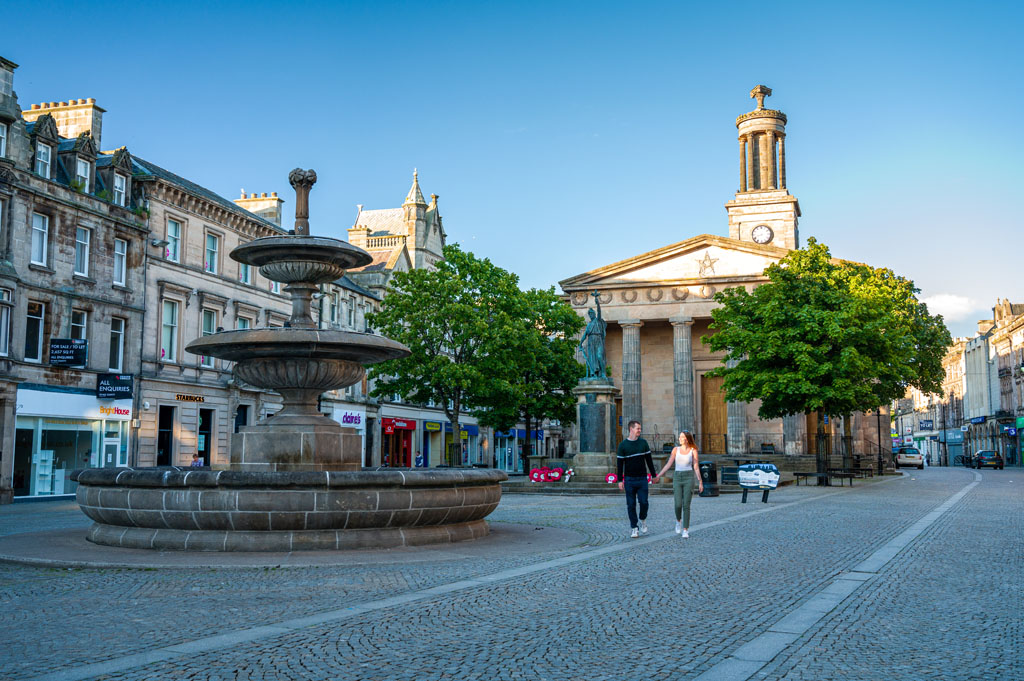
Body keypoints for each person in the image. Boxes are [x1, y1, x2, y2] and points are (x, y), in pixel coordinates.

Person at [654, 430, 703, 538]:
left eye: (682, 437)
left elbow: (695, 466)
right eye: (680, 437)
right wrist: (659, 475)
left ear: (687, 439)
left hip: (688, 477)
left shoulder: (693, 450)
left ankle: (685, 529)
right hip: (677, 477)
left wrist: (700, 481)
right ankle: (678, 521)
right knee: (678, 504)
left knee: (686, 505)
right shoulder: (675, 450)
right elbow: (668, 464)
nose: (680, 438)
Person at [616, 420, 657, 538]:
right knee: (631, 504)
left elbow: (649, 461)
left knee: (644, 502)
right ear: (631, 429)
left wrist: (654, 475)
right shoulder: (623, 445)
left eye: (640, 428)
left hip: (642, 479)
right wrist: (620, 480)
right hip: (629, 479)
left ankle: (643, 518)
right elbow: (619, 465)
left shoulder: (643, 443)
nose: (639, 430)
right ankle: (634, 527)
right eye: (638, 428)